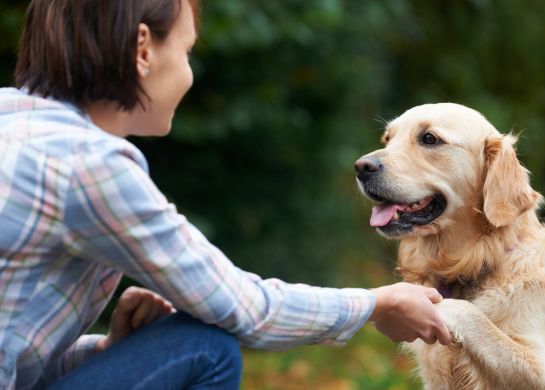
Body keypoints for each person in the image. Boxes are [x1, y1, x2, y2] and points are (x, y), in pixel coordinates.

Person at [0, 0, 451, 389]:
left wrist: (109, 350)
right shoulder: (90, 165)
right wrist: (376, 303)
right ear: (143, 49)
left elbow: (16, 359)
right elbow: (246, 308)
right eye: (186, 50)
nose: (189, 74)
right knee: (204, 346)